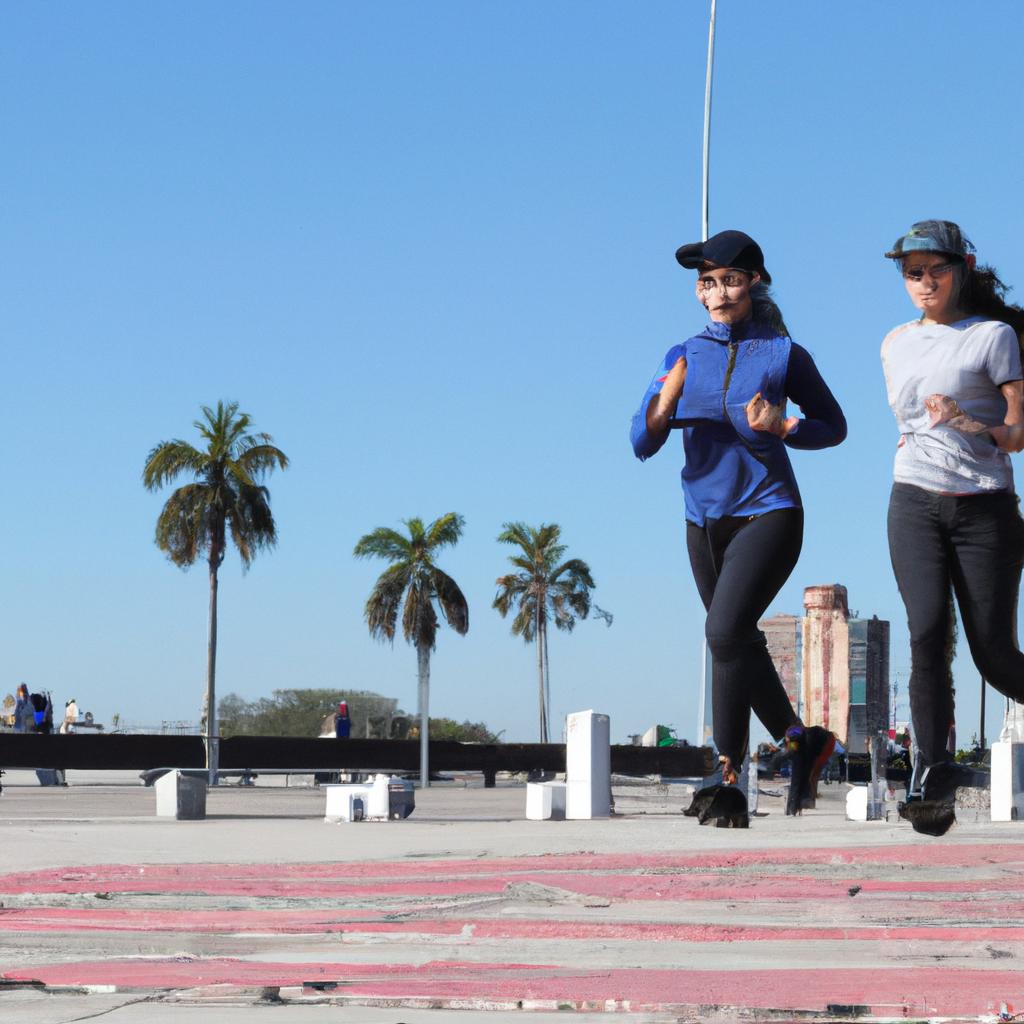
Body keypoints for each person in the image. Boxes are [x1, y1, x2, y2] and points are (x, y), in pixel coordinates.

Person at [630, 229, 847, 822]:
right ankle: (802, 739)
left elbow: (834, 425)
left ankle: (727, 774)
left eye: (729, 280)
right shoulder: (682, 353)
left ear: (753, 281)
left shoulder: (782, 354)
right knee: (736, 642)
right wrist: (665, 399)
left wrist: (784, 426)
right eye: (707, 282)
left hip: (770, 510)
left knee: (724, 632)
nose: (717, 292)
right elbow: (640, 441)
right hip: (701, 520)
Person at [881, 219, 1024, 834]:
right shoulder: (893, 342)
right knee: (926, 634)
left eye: (936, 269)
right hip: (913, 498)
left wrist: (972, 425)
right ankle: (932, 773)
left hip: (984, 507)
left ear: (961, 268)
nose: (924, 281)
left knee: (993, 654)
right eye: (912, 272)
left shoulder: (994, 338)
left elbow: (1017, 435)